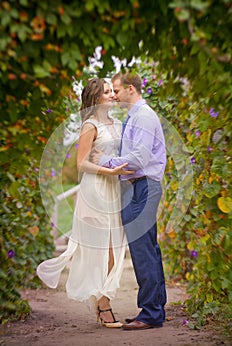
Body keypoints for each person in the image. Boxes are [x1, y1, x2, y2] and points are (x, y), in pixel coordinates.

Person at [37, 77, 134, 328]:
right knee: (105, 250)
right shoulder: (90, 125)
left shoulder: (117, 123)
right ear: (95, 98)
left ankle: (99, 299)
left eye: (113, 90)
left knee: (115, 250)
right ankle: (104, 306)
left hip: (114, 190)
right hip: (96, 190)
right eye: (107, 92)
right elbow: (81, 164)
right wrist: (108, 171)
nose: (113, 95)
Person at [97, 70, 167, 330]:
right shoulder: (135, 117)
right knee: (149, 248)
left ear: (130, 89)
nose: (114, 95)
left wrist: (104, 163)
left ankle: (150, 314)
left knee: (142, 251)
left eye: (116, 90)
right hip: (140, 187)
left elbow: (138, 159)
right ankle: (156, 308)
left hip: (144, 187)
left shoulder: (144, 117)